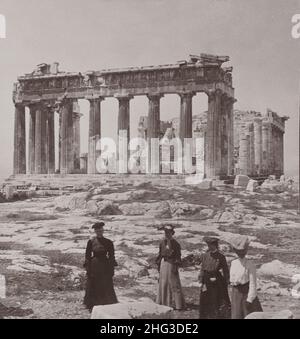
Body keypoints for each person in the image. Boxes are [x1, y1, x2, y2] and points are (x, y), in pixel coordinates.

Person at [83, 222, 118, 311]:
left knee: (106, 282)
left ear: (103, 230)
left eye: (100, 229)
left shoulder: (108, 242)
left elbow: (111, 256)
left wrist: (111, 268)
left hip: (105, 265)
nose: (99, 231)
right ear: (95, 231)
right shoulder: (91, 241)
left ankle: (106, 302)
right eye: (97, 230)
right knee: (94, 282)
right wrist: (88, 268)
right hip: (94, 265)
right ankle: (93, 303)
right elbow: (87, 255)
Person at [229, 235, 263, 319]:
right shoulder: (233, 263)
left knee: (247, 315)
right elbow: (232, 281)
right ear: (235, 251)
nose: (241, 253)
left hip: (245, 294)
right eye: (238, 251)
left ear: (245, 251)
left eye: (242, 251)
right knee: (236, 315)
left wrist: (250, 299)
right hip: (235, 294)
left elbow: (252, 284)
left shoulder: (250, 264)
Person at [198, 237, 231, 319]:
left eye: (211, 245)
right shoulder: (205, 255)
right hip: (206, 278)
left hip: (216, 279)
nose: (210, 247)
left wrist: (227, 280)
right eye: (208, 245)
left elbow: (225, 270)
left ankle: (216, 316)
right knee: (204, 298)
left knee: (215, 298)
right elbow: (202, 268)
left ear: (216, 245)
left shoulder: (221, 257)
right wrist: (201, 279)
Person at [156, 225, 185, 310]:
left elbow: (178, 256)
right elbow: (160, 254)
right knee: (163, 283)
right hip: (163, 264)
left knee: (174, 284)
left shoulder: (176, 244)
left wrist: (175, 266)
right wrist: (158, 265)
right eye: (165, 233)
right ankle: (164, 303)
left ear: (172, 233)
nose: (167, 234)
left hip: (172, 264)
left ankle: (179, 305)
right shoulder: (162, 243)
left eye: (168, 233)